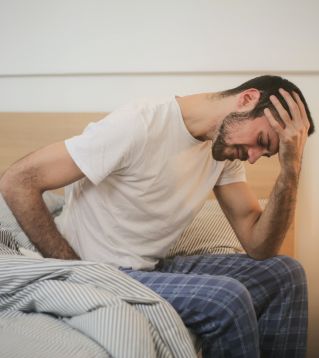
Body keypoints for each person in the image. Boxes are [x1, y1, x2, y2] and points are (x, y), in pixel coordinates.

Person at [0, 75, 315, 357]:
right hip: (100, 268)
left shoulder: (224, 150)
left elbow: (259, 246)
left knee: (285, 274)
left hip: (149, 267)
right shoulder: (139, 125)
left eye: (268, 153)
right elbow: (18, 181)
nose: (256, 157)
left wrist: (290, 169)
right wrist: (77, 270)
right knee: (226, 300)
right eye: (262, 142)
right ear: (247, 99)